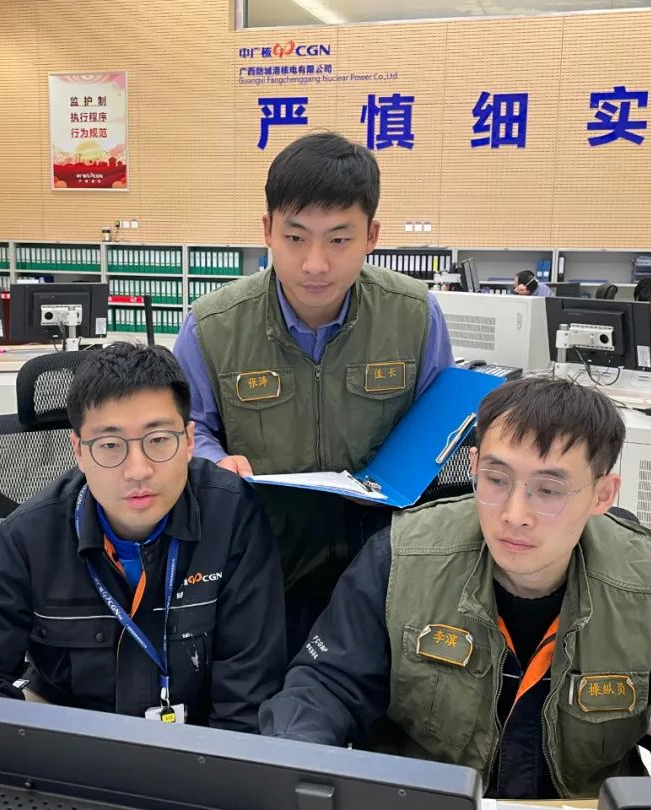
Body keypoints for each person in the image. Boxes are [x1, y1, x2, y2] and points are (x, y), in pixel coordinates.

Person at [259, 376, 651, 799]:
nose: (515, 514)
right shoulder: (401, 556)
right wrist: (306, 767)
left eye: (548, 490)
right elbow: (321, 689)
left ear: (602, 494)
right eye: (496, 480)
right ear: (473, 468)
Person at [173, 132, 454, 654]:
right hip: (261, 561)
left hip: (385, 562)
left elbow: (438, 421)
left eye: (339, 240)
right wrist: (214, 461)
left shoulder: (415, 315)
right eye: (296, 238)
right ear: (267, 231)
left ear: (371, 236)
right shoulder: (212, 326)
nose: (315, 264)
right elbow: (188, 429)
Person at [0, 342, 286, 732]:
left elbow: (247, 701)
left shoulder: (233, 516)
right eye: (110, 445)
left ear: (188, 441)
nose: (138, 470)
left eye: (158, 439)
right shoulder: (28, 536)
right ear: (79, 452)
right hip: (70, 735)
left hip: (199, 740)